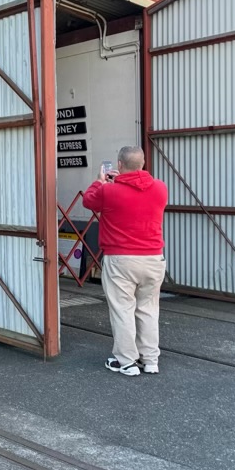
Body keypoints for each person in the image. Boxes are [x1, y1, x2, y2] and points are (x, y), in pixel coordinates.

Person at [82, 146, 168, 376]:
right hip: (154, 258)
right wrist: (120, 181)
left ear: (119, 165)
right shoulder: (161, 188)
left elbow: (88, 201)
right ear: (143, 163)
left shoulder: (108, 191)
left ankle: (127, 361)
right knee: (148, 310)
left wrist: (100, 181)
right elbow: (138, 192)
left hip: (121, 260)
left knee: (123, 310)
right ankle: (150, 360)